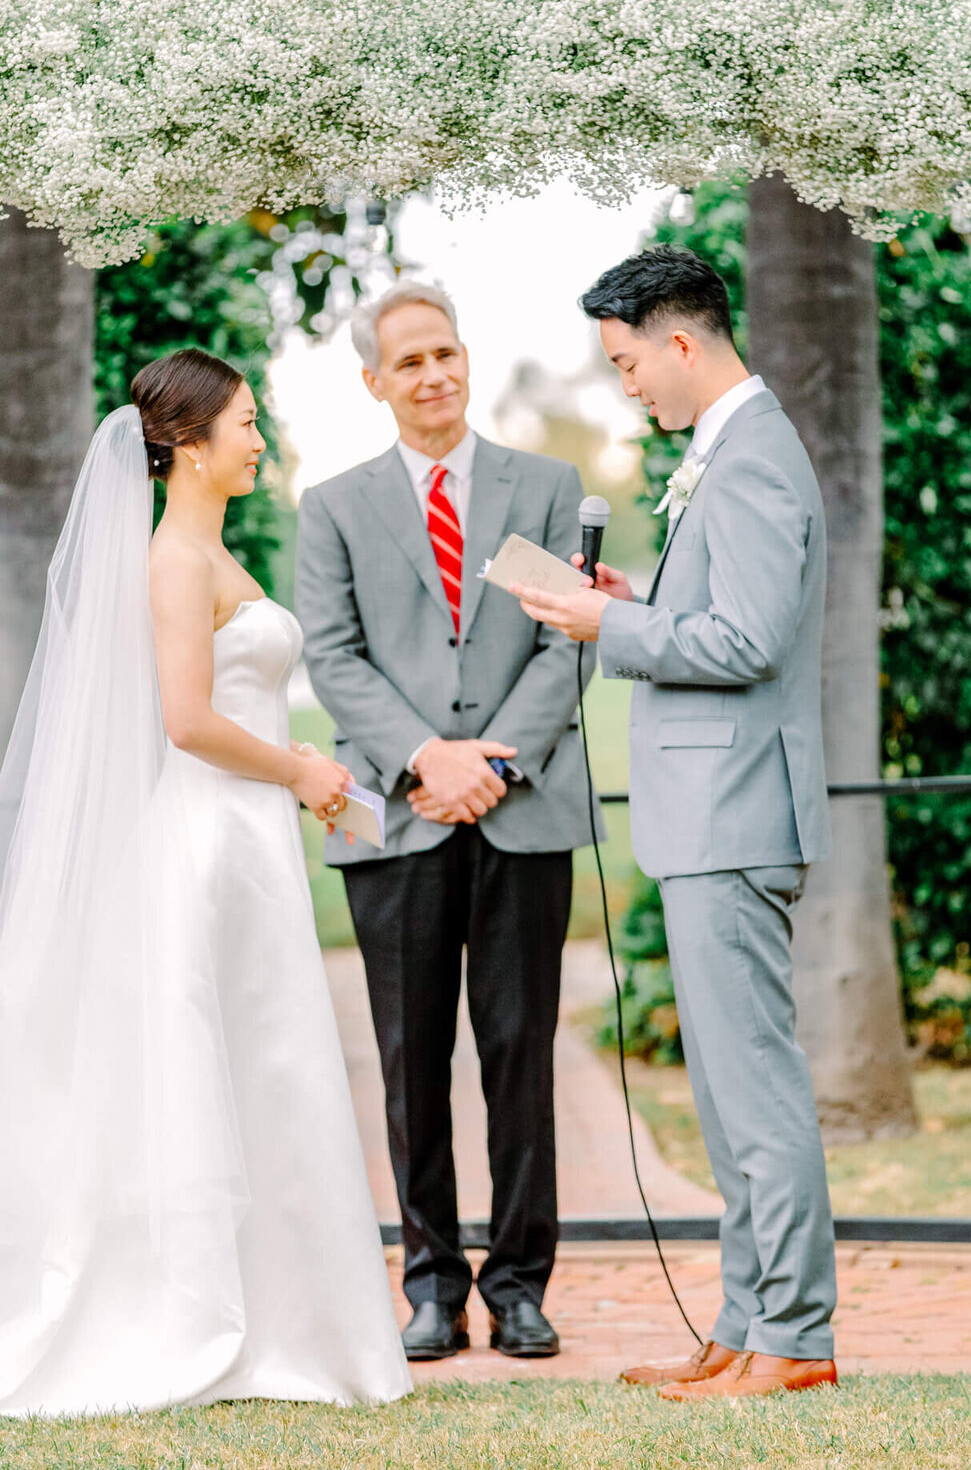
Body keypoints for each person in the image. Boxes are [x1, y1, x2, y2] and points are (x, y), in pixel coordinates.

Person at [0, 352, 410, 1419]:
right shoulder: (173, 559)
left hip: (248, 840)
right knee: (211, 1065)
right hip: (208, 843)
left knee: (263, 1068)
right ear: (186, 442)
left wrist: (296, 783)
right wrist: (306, 768)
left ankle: (286, 1318)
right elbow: (184, 719)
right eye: (245, 421)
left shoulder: (206, 548)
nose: (259, 438)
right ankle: (194, 1314)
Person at [512, 245, 839, 1400]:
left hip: (738, 811)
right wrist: (635, 604)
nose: (628, 386)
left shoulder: (750, 458)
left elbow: (746, 642)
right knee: (724, 1092)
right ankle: (745, 1328)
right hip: (713, 812)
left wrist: (615, 636)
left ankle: (794, 1338)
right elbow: (717, 615)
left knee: (754, 1085)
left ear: (681, 342)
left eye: (628, 362)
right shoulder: (730, 449)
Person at [295, 282, 600, 1362]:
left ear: (466, 360)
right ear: (375, 383)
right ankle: (432, 1284)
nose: (434, 375)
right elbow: (334, 656)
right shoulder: (330, 506)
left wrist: (493, 764)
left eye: (447, 352)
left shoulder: (549, 488)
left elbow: (567, 639)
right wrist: (431, 758)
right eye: (409, 362)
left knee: (521, 1056)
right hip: (405, 818)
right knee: (410, 1060)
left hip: (522, 813)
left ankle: (520, 1283)